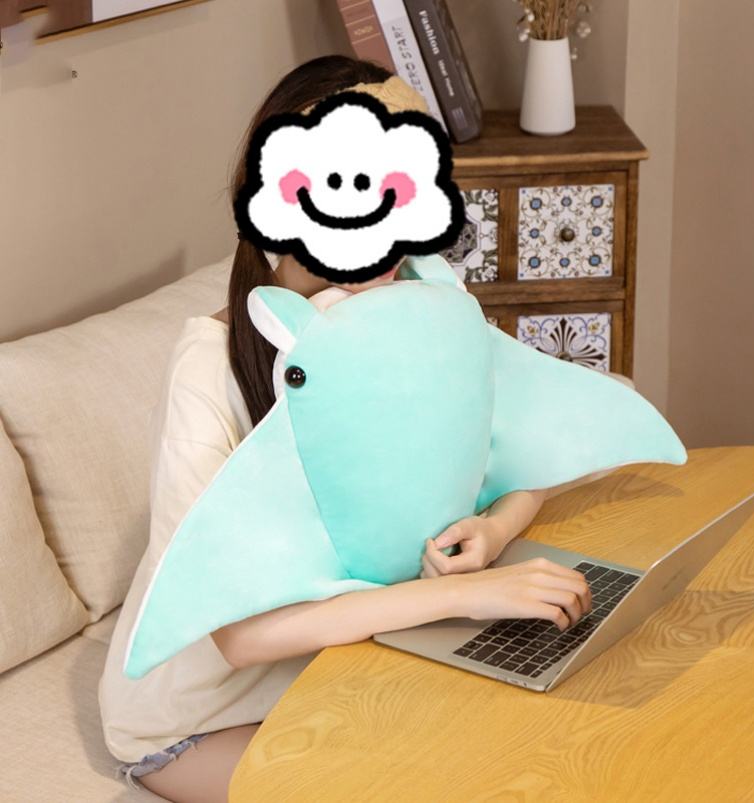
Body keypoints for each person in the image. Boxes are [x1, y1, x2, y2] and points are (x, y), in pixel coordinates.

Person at [97, 55, 592, 803]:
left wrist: (492, 531)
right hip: (199, 720)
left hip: (355, 662)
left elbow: (530, 447)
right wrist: (466, 597)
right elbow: (239, 636)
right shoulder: (209, 367)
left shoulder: (414, 304)